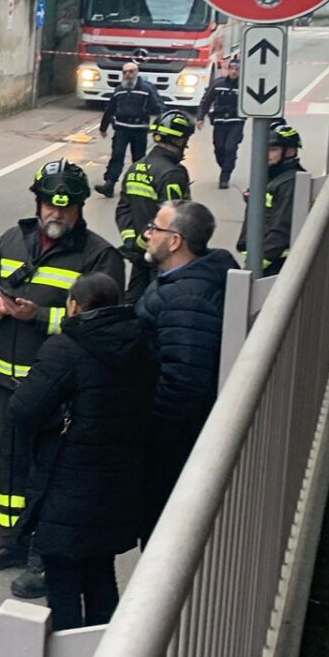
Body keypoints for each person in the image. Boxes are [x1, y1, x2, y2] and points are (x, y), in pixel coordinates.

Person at [0, 159, 125, 598]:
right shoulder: (12, 240)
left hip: (61, 393)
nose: (56, 216)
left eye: (67, 208)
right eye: (49, 207)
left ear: (79, 208)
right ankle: (10, 540)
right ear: (38, 204)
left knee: (49, 473)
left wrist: (39, 317)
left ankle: (43, 555)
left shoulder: (99, 256)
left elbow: (102, 325)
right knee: (12, 463)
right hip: (9, 385)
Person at [8, 272, 153, 631]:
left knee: (63, 580)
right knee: (101, 573)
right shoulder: (142, 344)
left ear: (74, 305)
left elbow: (24, 411)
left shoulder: (66, 350)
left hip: (67, 484)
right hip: (119, 483)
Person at [135, 199, 238, 538]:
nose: (148, 234)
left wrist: (149, 433)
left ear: (175, 240)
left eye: (156, 228)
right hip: (175, 440)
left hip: (170, 445)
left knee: (164, 530)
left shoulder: (186, 299)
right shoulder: (187, 280)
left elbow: (184, 384)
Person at [114, 109, 194, 303]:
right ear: (178, 140)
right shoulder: (172, 174)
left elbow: (123, 209)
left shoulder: (136, 167)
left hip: (139, 254)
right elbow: (175, 220)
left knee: (133, 300)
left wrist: (133, 242)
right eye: (185, 139)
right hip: (163, 257)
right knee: (160, 303)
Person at [236, 119, 306, 276]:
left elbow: (282, 230)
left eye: (272, 149)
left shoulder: (290, 183)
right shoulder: (271, 176)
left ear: (290, 151)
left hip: (275, 265)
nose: (265, 154)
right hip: (262, 258)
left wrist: (256, 266)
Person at [97, 60, 163, 196]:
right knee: (117, 155)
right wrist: (103, 127)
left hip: (139, 129)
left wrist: (159, 127)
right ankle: (110, 184)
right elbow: (110, 109)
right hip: (122, 128)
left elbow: (158, 108)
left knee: (138, 159)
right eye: (125, 72)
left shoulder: (147, 89)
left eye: (131, 72)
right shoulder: (119, 90)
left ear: (137, 73)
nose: (128, 75)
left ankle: (136, 187)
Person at [199, 53, 244, 189]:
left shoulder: (244, 86)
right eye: (232, 69)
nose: (234, 72)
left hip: (236, 122)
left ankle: (225, 176)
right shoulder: (218, 84)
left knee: (230, 148)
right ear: (228, 70)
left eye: (237, 69)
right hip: (219, 122)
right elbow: (206, 101)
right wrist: (200, 117)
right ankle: (226, 165)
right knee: (219, 148)